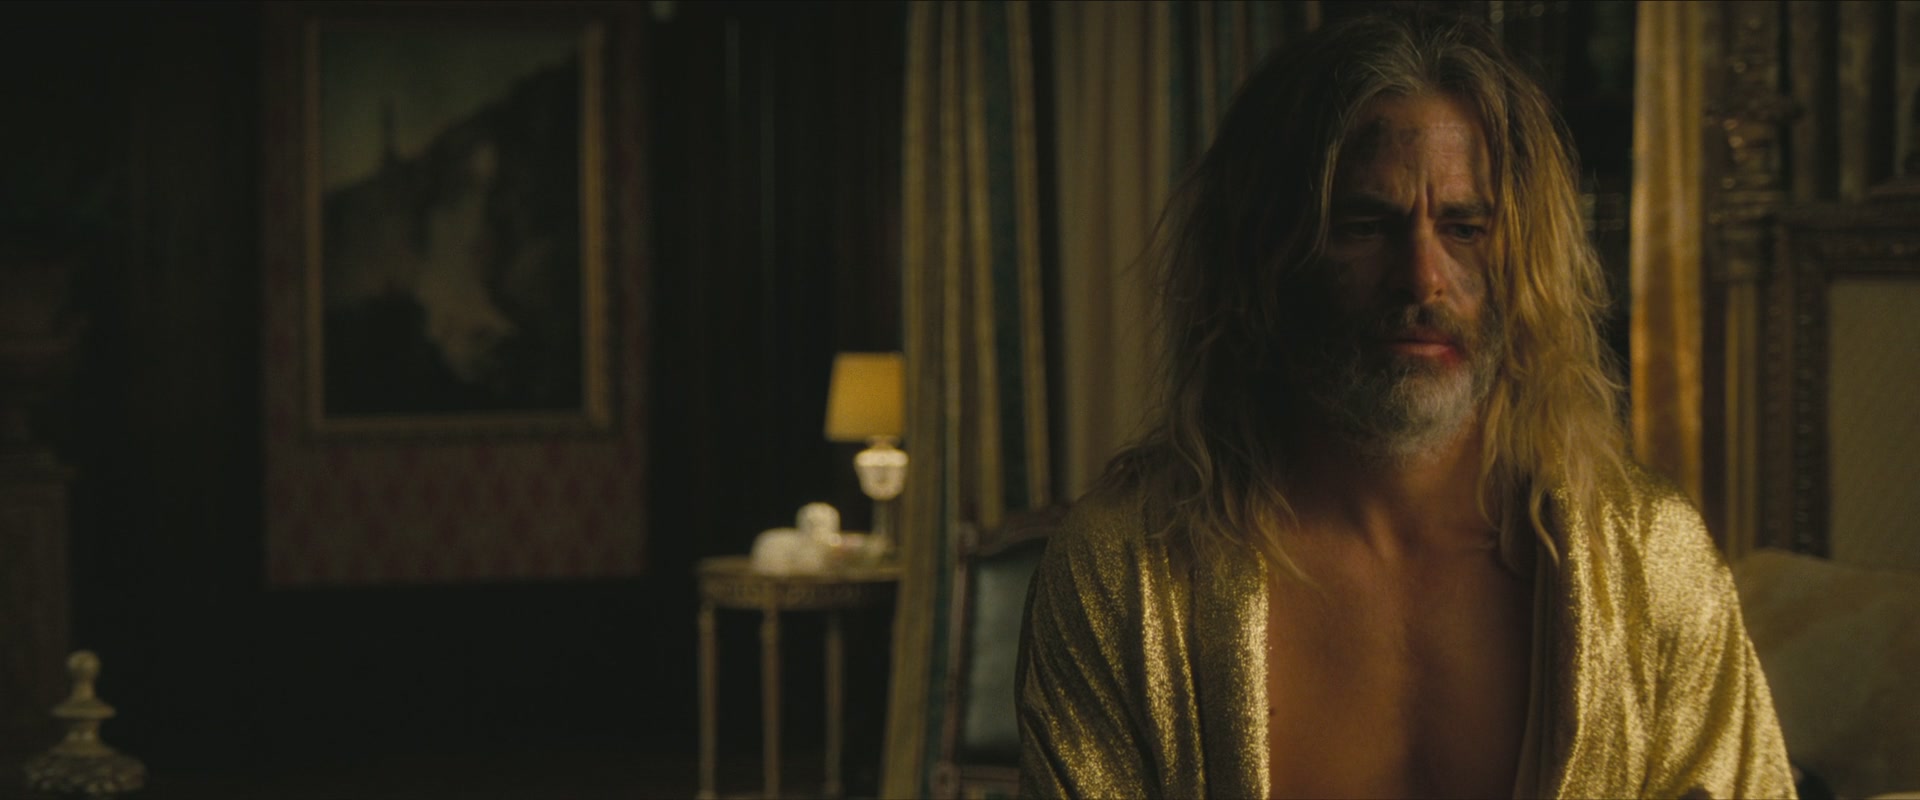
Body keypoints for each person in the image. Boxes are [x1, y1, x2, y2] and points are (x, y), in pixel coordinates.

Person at [1015, 10, 1795, 800]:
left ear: (1526, 261)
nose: (1422, 279)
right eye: (1365, 225)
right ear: (1265, 258)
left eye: (1465, 227)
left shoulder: (1648, 561)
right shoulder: (1128, 573)